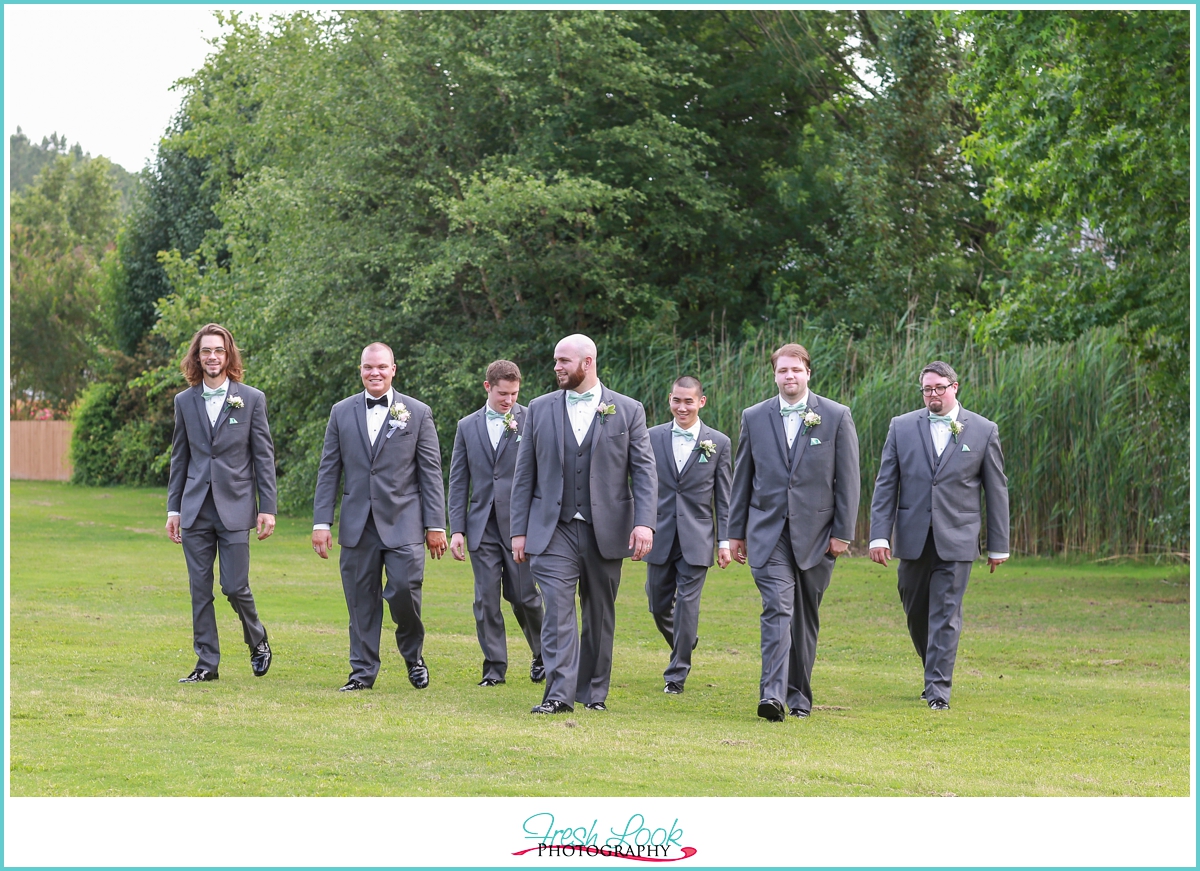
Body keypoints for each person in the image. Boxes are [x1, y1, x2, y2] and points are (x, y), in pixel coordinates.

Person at [510, 334, 658, 714]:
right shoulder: (539, 409)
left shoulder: (627, 410)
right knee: (558, 610)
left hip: (606, 528)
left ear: (588, 362)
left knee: (599, 614)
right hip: (552, 527)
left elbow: (643, 472)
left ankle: (593, 692)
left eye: (563, 360)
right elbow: (524, 473)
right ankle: (558, 695)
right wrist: (519, 530)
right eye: (556, 360)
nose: (556, 367)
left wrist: (645, 523)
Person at [868, 360, 1009, 711]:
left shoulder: (982, 430)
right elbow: (886, 484)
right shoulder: (901, 427)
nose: (933, 395)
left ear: (955, 387)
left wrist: (998, 545)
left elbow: (996, 490)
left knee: (945, 613)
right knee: (916, 611)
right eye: (927, 389)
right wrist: (878, 536)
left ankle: (938, 691)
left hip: (958, 537)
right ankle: (932, 669)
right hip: (912, 536)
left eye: (939, 389)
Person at [729, 343, 859, 721]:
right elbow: (743, 479)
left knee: (804, 617)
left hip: (818, 535)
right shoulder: (754, 417)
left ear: (807, 373)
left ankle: (799, 696)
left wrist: (843, 533)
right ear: (774, 375)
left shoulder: (835, 416)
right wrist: (735, 532)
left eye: (796, 370)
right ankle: (771, 695)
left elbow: (848, 481)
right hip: (767, 533)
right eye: (783, 370)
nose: (789, 376)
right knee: (778, 608)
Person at [311, 342, 447, 692]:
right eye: (368, 367)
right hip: (357, 526)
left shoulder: (417, 412)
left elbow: (430, 473)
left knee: (404, 593)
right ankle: (362, 673)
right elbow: (329, 470)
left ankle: (413, 655)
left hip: (404, 523)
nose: (375, 372)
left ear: (393, 370)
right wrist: (321, 522)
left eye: (381, 367)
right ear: (360, 370)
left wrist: (436, 525)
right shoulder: (341, 412)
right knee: (360, 603)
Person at [166, 323, 276, 683]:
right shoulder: (185, 401)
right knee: (200, 589)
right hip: (195, 508)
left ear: (228, 356)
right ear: (197, 357)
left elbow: (263, 457)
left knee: (233, 586)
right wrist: (174, 509)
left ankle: (256, 639)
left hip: (236, 506)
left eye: (218, 351)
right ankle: (206, 665)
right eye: (205, 351)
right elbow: (179, 458)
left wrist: (267, 507)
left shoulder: (251, 399)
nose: (212, 357)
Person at [448, 360, 545, 687]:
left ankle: (543, 655)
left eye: (515, 393)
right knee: (485, 599)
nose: (509, 400)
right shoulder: (466, 425)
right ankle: (494, 669)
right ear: (488, 387)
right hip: (481, 526)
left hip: (520, 525)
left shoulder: (531, 419)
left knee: (523, 597)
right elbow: (459, 481)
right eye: (503, 393)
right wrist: (457, 529)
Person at [644, 376, 732, 694]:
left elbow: (724, 498)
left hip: (698, 536)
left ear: (701, 402)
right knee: (656, 604)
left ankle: (676, 675)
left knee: (687, 606)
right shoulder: (650, 437)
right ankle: (686, 639)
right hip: (660, 533)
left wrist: (725, 541)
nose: (682, 407)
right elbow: (641, 485)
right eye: (677, 401)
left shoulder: (718, 443)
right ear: (670, 399)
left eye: (689, 401)